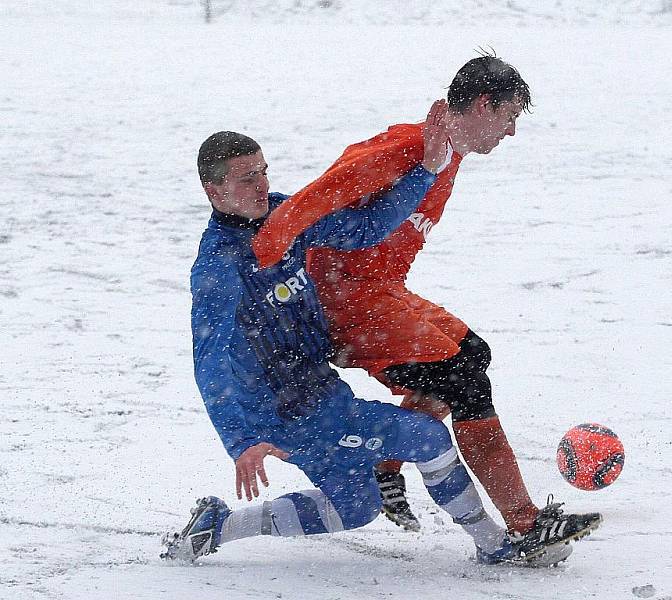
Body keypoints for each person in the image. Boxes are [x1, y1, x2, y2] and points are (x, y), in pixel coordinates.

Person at [162, 117, 588, 566]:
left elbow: (364, 228)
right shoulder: (218, 269)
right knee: (428, 438)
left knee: (356, 508)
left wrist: (425, 172)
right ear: (213, 192)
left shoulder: (281, 217)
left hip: (324, 397)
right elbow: (208, 362)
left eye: (264, 170)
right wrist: (240, 440)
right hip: (288, 415)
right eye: (247, 178)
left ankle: (220, 526)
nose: (261, 184)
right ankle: (494, 544)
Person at [250, 53, 602, 548]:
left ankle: (384, 468)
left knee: (472, 354)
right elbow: (311, 201)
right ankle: (526, 524)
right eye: (510, 116)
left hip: (381, 294)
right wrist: (263, 264)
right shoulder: (406, 148)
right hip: (346, 306)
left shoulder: (446, 153)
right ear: (482, 106)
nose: (511, 132)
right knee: (465, 382)